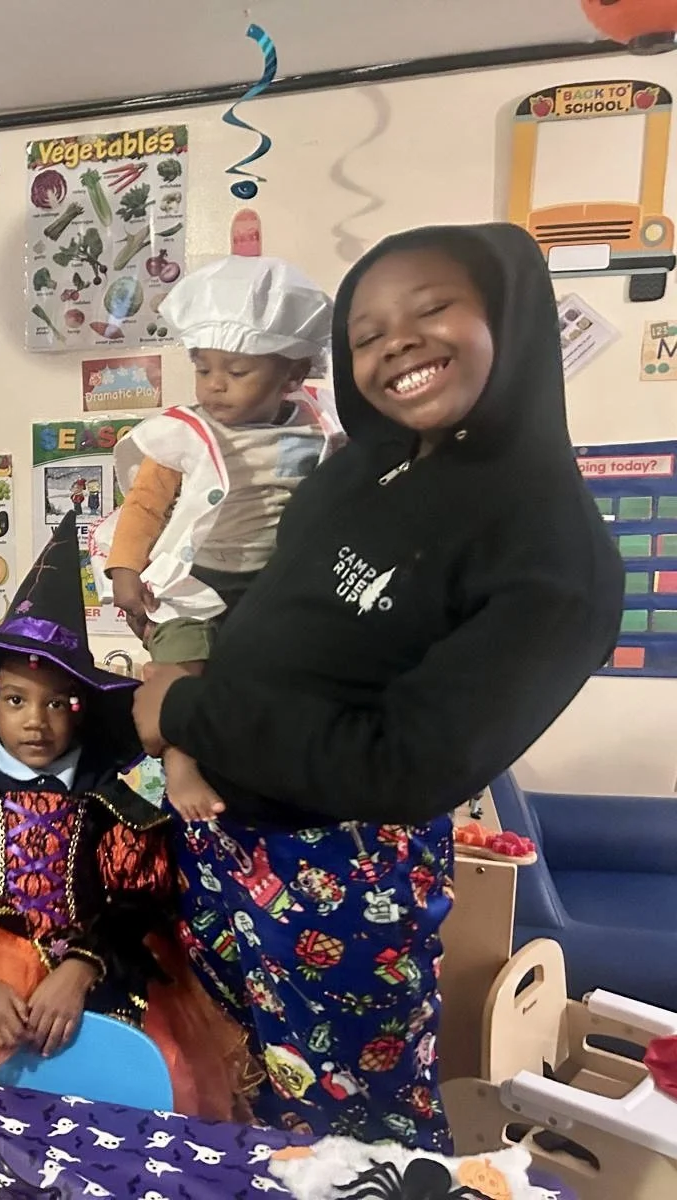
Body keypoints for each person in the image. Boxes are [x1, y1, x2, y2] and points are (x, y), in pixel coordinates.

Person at [130, 224, 623, 1149]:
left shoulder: (553, 553)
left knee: (352, 1134)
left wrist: (182, 710)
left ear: (508, 321)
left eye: (432, 308)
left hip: (342, 882)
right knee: (221, 1085)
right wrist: (183, 680)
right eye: (365, 332)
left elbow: (402, 766)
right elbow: (274, 618)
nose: (396, 339)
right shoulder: (361, 466)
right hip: (218, 837)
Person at [0, 512, 248, 1118]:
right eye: (16, 700)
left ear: (82, 711)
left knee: (109, 1119)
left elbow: (137, 907)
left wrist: (80, 969)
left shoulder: (115, 810)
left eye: (57, 702)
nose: (36, 720)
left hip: (96, 996)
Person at [90, 257, 341, 822]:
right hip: (195, 580)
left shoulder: (316, 430)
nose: (215, 385)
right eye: (204, 369)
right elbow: (144, 505)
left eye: (237, 371)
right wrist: (124, 571)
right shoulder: (186, 431)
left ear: (292, 376)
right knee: (182, 669)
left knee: (284, 670)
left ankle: (280, 755)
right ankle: (181, 764)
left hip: (273, 585)